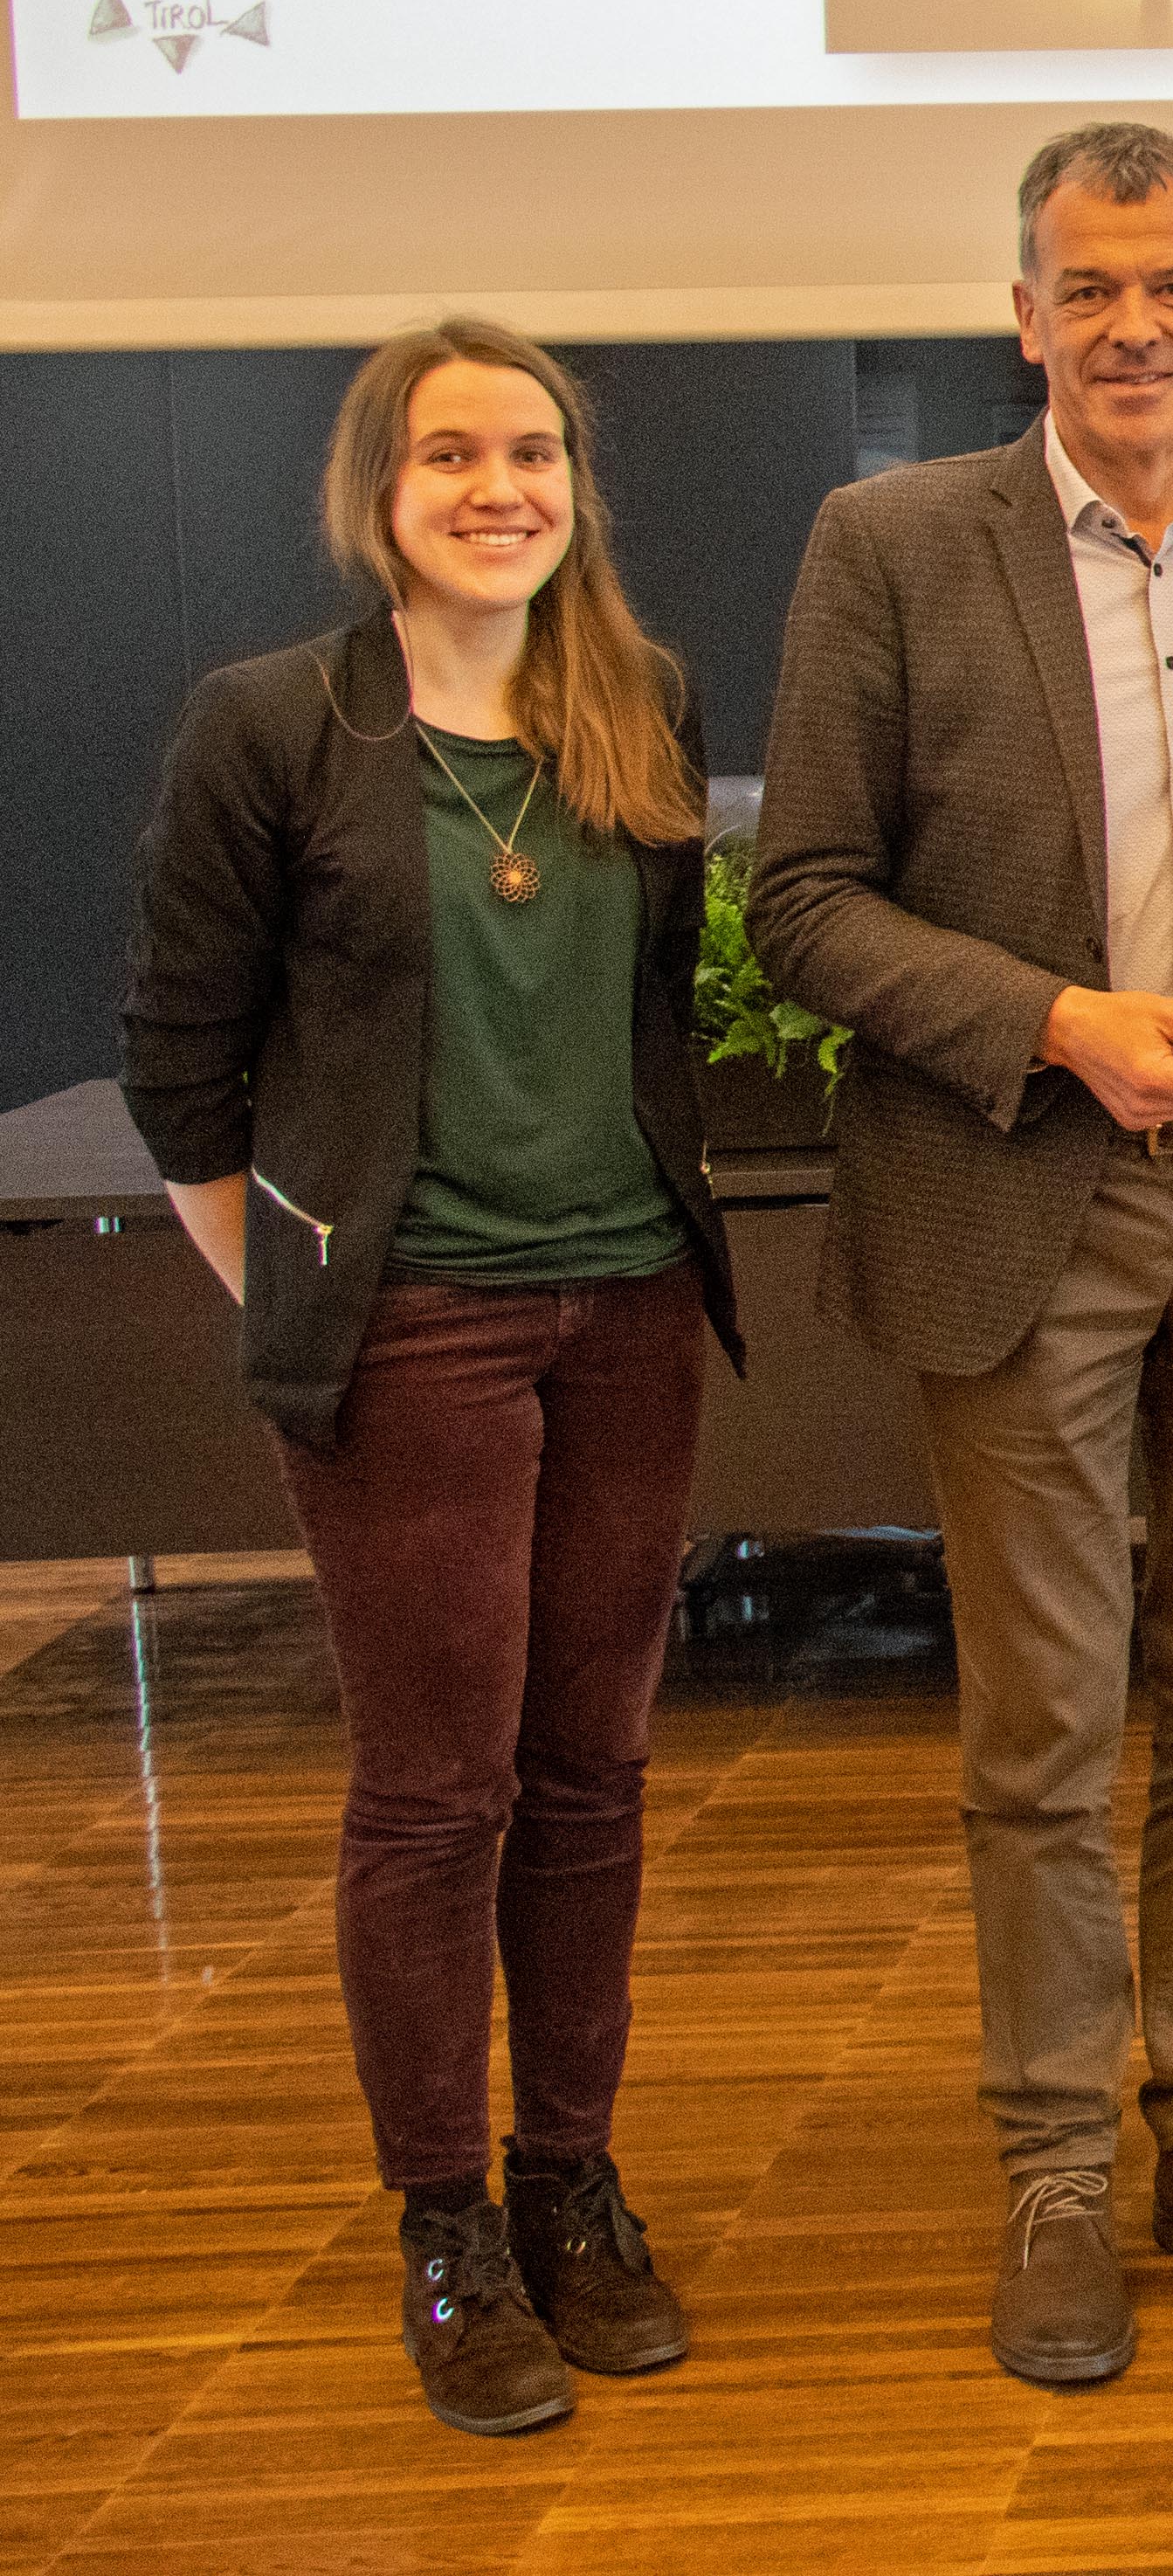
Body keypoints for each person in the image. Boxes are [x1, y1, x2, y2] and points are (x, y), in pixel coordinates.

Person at [752, 121, 1173, 2386]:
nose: (1131, 323)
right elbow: (806, 899)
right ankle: (1051, 2159)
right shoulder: (893, 541)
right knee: (1047, 1714)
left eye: (1171, 284)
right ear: (1024, 316)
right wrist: (1046, 1021)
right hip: (1016, 1183)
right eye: (1086, 286)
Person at [121, 320, 740, 2438]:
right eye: (452, 452)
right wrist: (304, 1289)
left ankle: (573, 2176)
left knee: (593, 1771)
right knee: (434, 1789)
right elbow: (179, 1060)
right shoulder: (272, 723)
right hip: (417, 1330)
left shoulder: (633, 705)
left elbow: (659, 1003)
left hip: (632, 1309)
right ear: (377, 487)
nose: (502, 484)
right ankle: (445, 2221)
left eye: (536, 447)